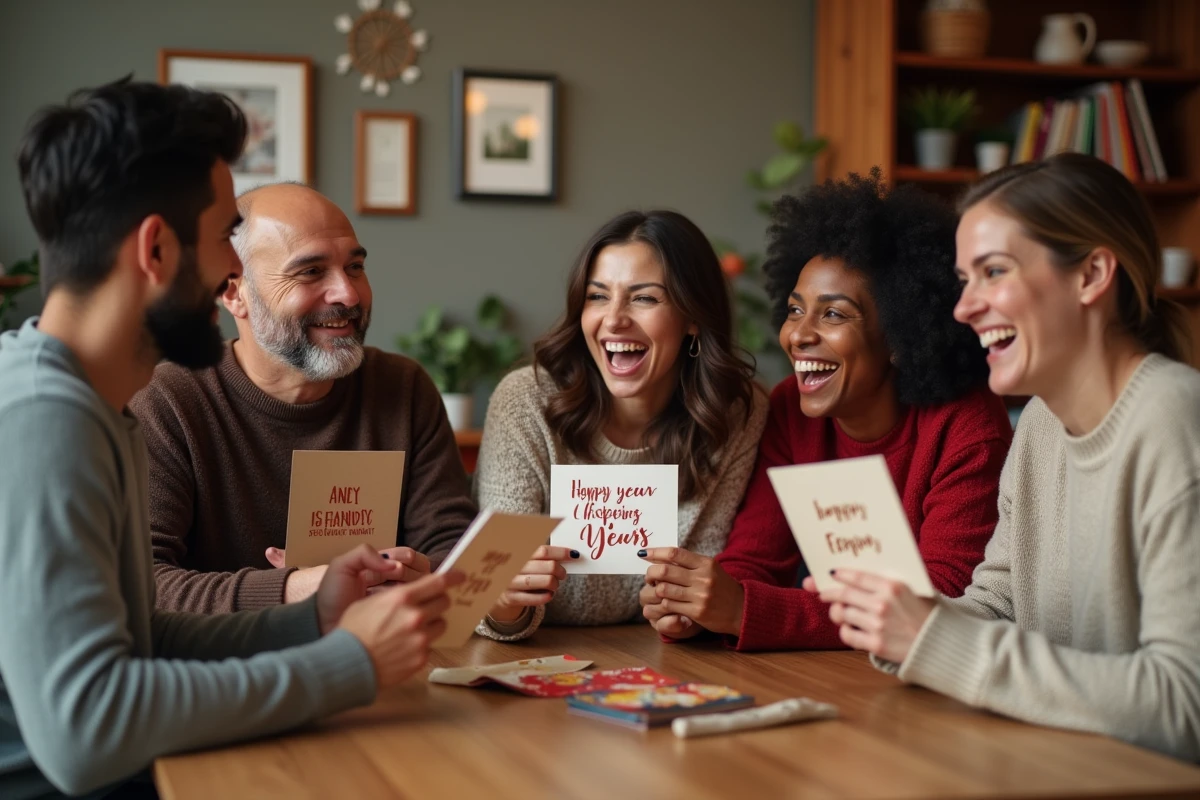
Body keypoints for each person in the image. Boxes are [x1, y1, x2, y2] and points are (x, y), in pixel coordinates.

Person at [0, 79, 462, 799]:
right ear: (156, 249)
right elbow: (83, 732)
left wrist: (315, 615)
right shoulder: (44, 420)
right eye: (222, 239)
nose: (226, 270)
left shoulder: (94, 402)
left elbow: (142, 641)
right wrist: (352, 665)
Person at [816, 153, 1200, 761]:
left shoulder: (1174, 421)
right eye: (965, 280)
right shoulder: (1042, 422)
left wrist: (934, 637)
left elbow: (1184, 706)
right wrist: (898, 615)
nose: (964, 308)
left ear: (1091, 274)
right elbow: (997, 604)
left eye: (993, 272)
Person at [639, 170, 1012, 650]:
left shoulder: (966, 424)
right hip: (833, 673)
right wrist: (696, 608)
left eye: (833, 314)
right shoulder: (789, 410)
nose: (799, 335)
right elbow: (754, 560)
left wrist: (745, 610)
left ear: (898, 337)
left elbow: (942, 599)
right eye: (795, 310)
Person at [129, 182, 476, 614]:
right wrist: (294, 590)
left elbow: (454, 551)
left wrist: (415, 576)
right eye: (310, 272)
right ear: (233, 291)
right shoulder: (169, 402)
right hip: (229, 673)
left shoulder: (401, 388)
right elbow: (141, 581)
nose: (348, 294)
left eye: (355, 267)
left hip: (382, 659)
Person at [472, 210, 768, 640]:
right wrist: (503, 600)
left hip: (664, 664)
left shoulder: (736, 413)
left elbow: (712, 589)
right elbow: (492, 600)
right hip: (529, 657)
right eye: (597, 296)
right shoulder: (525, 404)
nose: (613, 320)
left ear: (693, 318)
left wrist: (689, 617)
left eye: (644, 298)